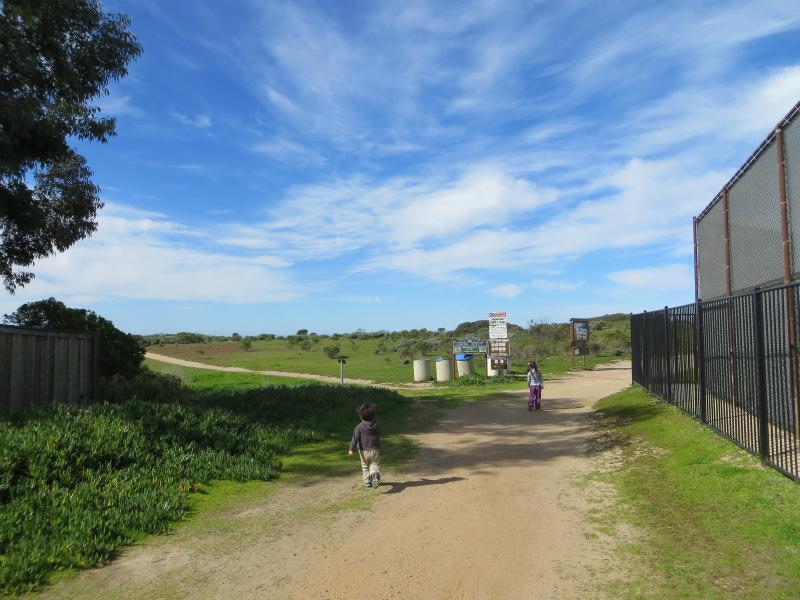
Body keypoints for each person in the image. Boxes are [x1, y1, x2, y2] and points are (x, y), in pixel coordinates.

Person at [348, 403, 381, 488]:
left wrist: (351, 449)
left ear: (361, 417)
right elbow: (378, 435)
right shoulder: (375, 426)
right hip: (374, 449)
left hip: (363, 450)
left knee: (365, 466)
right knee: (375, 464)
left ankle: (367, 482)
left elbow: (355, 438)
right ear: (373, 416)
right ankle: (374, 474)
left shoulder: (359, 427)